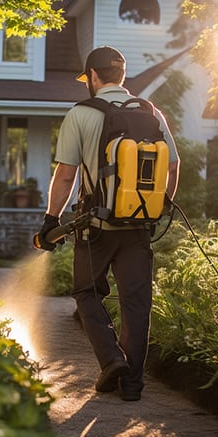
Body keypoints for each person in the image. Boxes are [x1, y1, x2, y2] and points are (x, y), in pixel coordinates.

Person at [34, 46, 180, 401]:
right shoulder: (151, 112)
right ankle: (132, 384)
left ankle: (112, 359)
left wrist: (51, 220)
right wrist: (156, 207)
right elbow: (173, 167)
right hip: (137, 228)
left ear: (93, 77)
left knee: (87, 293)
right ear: (122, 76)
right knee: (136, 303)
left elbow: (66, 176)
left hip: (94, 227)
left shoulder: (81, 114)